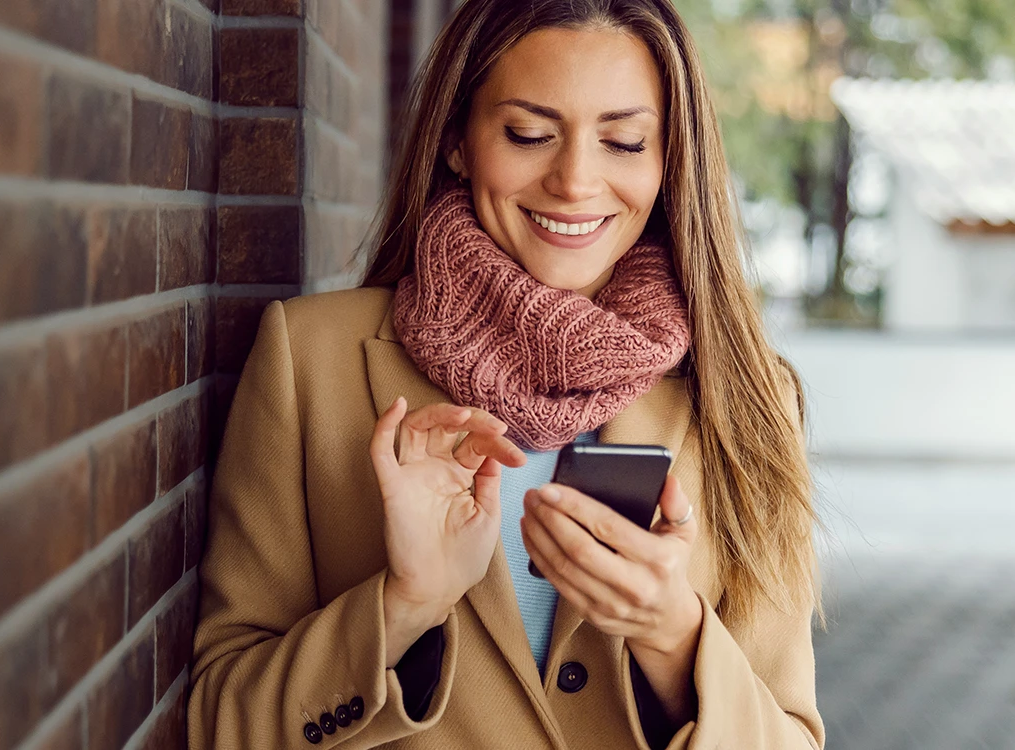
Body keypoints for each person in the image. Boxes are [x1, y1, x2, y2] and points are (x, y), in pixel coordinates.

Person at [186, 0, 823, 747]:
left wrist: (673, 635)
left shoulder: (743, 392)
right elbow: (221, 722)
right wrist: (403, 605)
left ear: (667, 159)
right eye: (527, 134)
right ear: (457, 139)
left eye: (622, 141)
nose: (575, 181)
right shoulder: (310, 358)